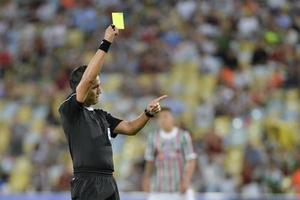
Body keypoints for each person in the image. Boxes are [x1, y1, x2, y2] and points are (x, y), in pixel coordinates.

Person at [58, 25, 167, 200]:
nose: (100, 90)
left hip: (108, 181)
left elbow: (131, 128)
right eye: (95, 87)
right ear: (82, 89)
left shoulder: (102, 116)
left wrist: (147, 113)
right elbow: (87, 79)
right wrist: (106, 42)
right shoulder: (69, 111)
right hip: (87, 182)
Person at [143, 107, 196, 200]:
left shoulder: (183, 136)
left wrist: (186, 180)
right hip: (159, 189)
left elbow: (191, 160)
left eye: (165, 116)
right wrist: (146, 179)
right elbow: (149, 160)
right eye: (160, 117)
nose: (162, 120)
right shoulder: (153, 137)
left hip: (180, 189)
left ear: (173, 118)